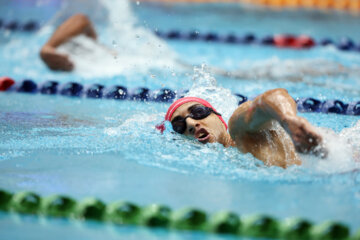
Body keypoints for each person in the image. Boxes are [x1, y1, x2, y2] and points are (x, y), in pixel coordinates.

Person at [157, 88, 325, 169]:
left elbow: (269, 99)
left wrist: (288, 119)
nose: (192, 124)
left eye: (198, 112)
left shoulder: (239, 129)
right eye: (179, 126)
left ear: (218, 115)